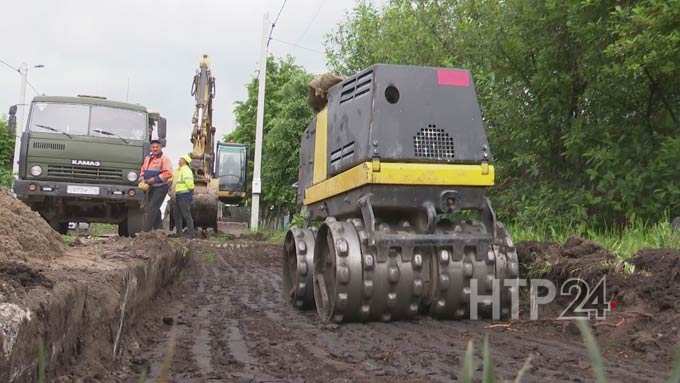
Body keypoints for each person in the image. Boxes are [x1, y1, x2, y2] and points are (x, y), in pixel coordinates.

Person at [139, 140, 173, 231]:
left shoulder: (164, 159)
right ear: (151, 148)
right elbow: (143, 169)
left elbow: (168, 173)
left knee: (151, 208)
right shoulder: (147, 158)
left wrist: (154, 179)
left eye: (156, 147)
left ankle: (145, 232)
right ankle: (159, 229)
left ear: (160, 148)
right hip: (150, 187)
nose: (155, 149)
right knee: (152, 207)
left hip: (161, 187)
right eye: (153, 147)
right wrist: (141, 177)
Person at [173, 154, 195, 238]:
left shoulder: (186, 170)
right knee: (177, 215)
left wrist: (190, 190)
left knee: (186, 214)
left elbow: (190, 184)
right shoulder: (180, 170)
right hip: (179, 194)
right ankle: (179, 233)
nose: (179, 160)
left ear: (184, 161)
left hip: (184, 195)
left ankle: (191, 234)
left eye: (180, 159)